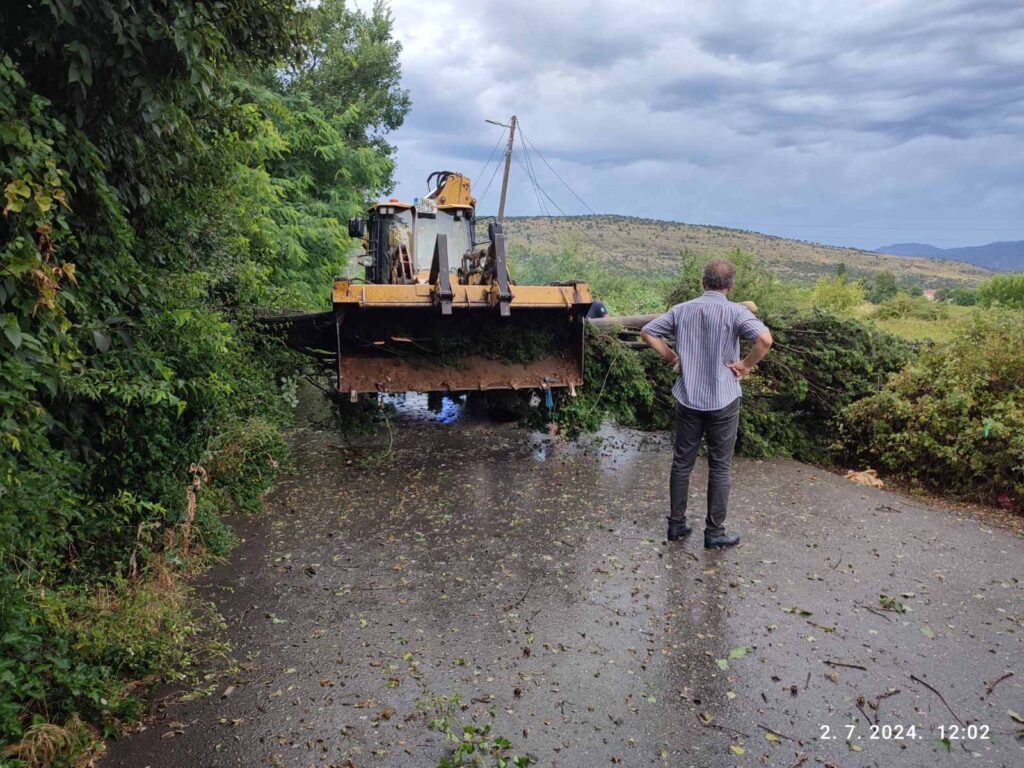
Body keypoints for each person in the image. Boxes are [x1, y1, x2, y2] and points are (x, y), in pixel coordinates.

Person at [640, 260, 773, 549]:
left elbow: (648, 332)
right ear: (731, 286)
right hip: (724, 400)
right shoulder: (736, 312)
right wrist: (745, 365)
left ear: (703, 281)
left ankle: (676, 526)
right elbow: (764, 340)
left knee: (682, 463)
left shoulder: (682, 310)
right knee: (720, 467)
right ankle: (714, 533)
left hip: (688, 397)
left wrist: (672, 358)